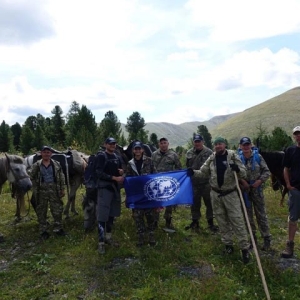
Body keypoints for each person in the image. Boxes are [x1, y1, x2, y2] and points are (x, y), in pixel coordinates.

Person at [192, 137, 250, 264]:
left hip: (230, 194)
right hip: (216, 194)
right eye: (216, 144)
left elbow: (244, 174)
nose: (218, 146)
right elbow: (203, 172)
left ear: (225, 145)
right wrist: (192, 172)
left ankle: (244, 248)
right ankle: (228, 245)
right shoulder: (212, 158)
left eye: (220, 144)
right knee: (221, 220)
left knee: (237, 220)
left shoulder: (233, 156)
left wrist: (238, 169)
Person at [238, 137, 271, 250]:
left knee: (261, 214)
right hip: (244, 191)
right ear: (240, 146)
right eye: (244, 145)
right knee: (248, 216)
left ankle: (266, 238)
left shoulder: (258, 157)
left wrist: (259, 181)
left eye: (248, 144)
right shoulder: (238, 159)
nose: (246, 147)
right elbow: (235, 173)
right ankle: (252, 239)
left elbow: (266, 171)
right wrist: (242, 182)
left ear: (251, 145)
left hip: (257, 190)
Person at [29, 146, 66, 240]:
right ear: (41, 153)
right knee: (41, 210)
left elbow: (61, 177)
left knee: (57, 209)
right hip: (41, 190)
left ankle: (58, 228)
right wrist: (35, 186)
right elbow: (30, 176)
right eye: (44, 152)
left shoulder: (57, 164)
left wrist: (62, 189)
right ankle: (43, 231)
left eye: (48, 152)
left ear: (51, 154)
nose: (46, 154)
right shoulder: (36, 165)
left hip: (54, 188)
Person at [95, 137, 124, 254]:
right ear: (105, 144)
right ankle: (101, 242)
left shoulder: (117, 157)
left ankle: (108, 237)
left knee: (112, 214)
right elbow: (98, 172)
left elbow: (119, 171)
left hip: (115, 189)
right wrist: (114, 178)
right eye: (110, 143)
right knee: (102, 216)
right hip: (104, 189)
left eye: (114, 143)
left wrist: (121, 172)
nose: (113, 145)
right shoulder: (101, 156)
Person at [126, 141, 157, 246]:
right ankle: (140, 236)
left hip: (148, 193)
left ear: (143, 150)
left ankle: (151, 234)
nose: (138, 151)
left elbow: (155, 176)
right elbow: (128, 178)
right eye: (136, 149)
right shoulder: (130, 164)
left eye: (139, 149)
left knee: (150, 215)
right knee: (138, 216)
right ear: (133, 150)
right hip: (137, 195)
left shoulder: (149, 161)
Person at [186, 134, 218, 233]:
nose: (197, 143)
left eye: (199, 141)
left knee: (209, 203)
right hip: (194, 183)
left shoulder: (209, 152)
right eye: (195, 141)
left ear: (203, 142)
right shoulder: (189, 152)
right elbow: (188, 166)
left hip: (206, 182)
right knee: (195, 203)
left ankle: (210, 222)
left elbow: (213, 167)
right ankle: (195, 222)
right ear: (193, 142)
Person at [151, 137, 182, 231]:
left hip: (169, 184)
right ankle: (155, 222)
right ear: (158, 145)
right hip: (157, 184)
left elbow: (179, 167)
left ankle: (168, 221)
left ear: (168, 144)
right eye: (161, 143)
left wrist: (174, 177)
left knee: (169, 203)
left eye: (165, 143)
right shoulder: (154, 154)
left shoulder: (173, 155)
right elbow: (150, 167)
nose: (163, 145)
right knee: (156, 203)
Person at [281, 126, 300, 258]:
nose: (298, 136)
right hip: (295, 189)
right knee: (293, 218)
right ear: (294, 136)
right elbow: (286, 168)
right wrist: (288, 184)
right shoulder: (291, 150)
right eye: (296, 134)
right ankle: (290, 245)